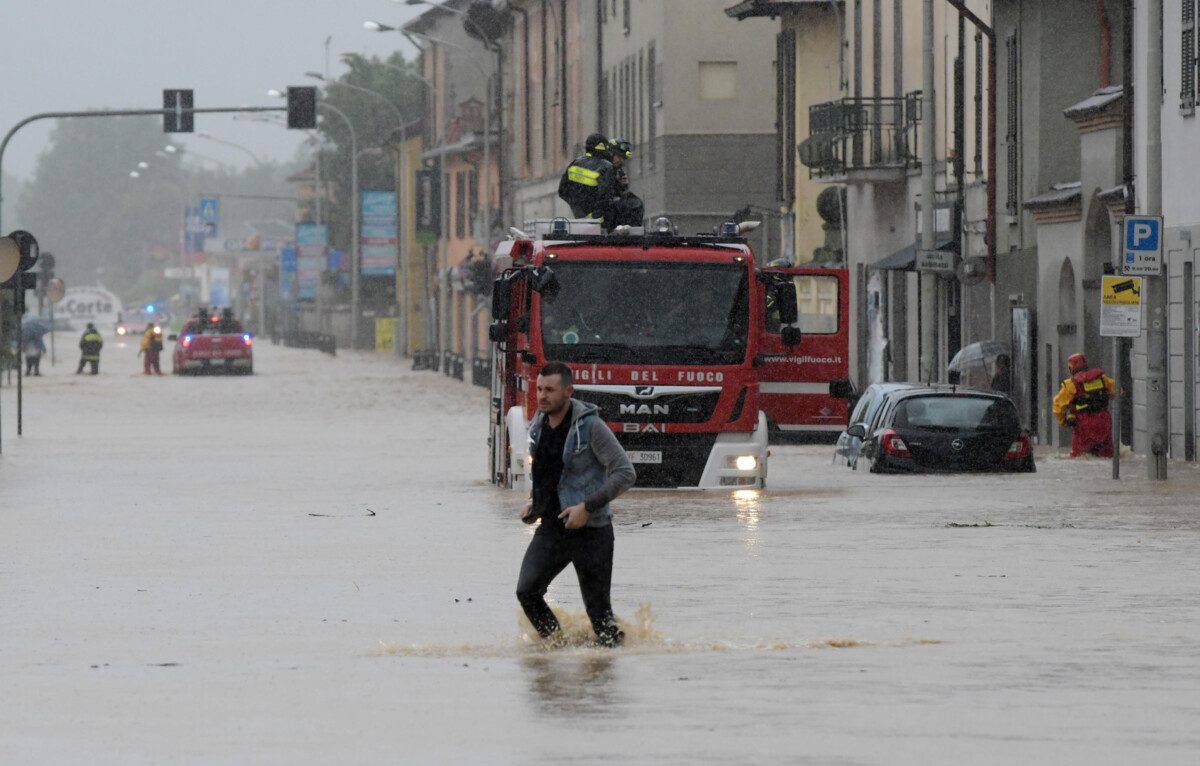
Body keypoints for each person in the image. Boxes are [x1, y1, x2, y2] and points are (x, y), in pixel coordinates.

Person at [516, 361, 637, 647]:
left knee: (599, 616)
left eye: (550, 390)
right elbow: (551, 473)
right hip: (552, 529)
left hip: (592, 531)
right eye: (539, 389)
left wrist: (587, 506)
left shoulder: (591, 426)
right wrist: (535, 504)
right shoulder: (539, 424)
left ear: (568, 391)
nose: (542, 396)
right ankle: (556, 648)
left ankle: (612, 667)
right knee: (527, 591)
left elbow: (625, 472)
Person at [1053, 353, 1116, 458]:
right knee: (1107, 454)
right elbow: (1118, 391)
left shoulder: (1071, 384)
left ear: (1071, 368)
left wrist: (1062, 422)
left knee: (1079, 456)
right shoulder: (1103, 379)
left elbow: (1058, 406)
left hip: (1084, 424)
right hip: (1104, 421)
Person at [558, 133, 617, 224]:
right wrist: (595, 215)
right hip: (599, 223)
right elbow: (606, 196)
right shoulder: (606, 167)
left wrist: (578, 208)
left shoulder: (575, 163)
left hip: (580, 220)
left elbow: (562, 191)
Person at [607, 137, 645, 228]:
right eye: (619, 156)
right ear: (610, 153)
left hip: (609, 205)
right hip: (602, 208)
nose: (621, 161)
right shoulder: (604, 168)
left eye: (623, 158)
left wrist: (622, 187)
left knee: (634, 202)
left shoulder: (614, 170)